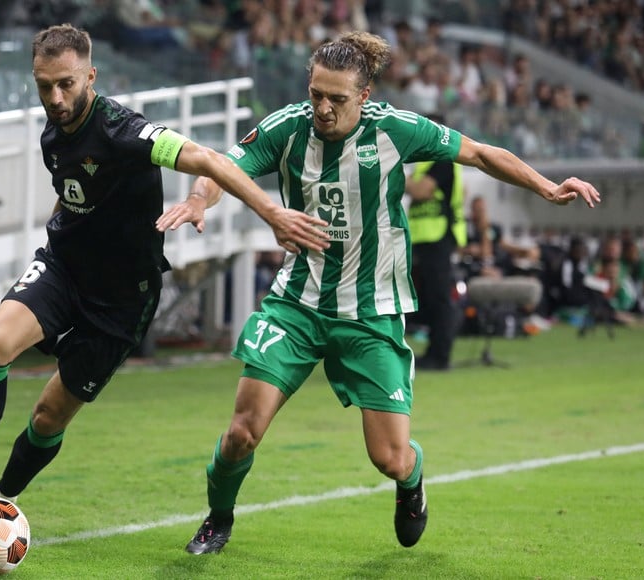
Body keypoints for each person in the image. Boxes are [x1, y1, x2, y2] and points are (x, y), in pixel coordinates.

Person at [156, 30, 601, 554]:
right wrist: (199, 198)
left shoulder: (395, 130)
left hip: (372, 312)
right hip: (297, 304)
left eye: (337, 99)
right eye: (316, 93)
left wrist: (547, 187)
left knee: (389, 458)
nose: (322, 108)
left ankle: (411, 482)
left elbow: (479, 153)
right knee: (242, 432)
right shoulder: (287, 129)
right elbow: (221, 167)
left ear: (364, 96)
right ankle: (218, 517)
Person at [0, 23, 329, 523]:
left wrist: (271, 214)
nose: (55, 96)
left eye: (66, 83)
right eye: (44, 84)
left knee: (49, 416)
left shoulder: (124, 130)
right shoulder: (53, 130)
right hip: (64, 267)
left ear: (91, 75)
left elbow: (206, 158)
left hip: (122, 299)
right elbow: (73, 187)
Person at [405, 113, 467, 370]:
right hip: (425, 238)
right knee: (430, 296)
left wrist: (393, 170)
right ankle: (434, 351)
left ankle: (440, 356)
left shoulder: (442, 158)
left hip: (438, 236)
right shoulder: (427, 162)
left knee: (440, 297)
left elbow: (422, 191)